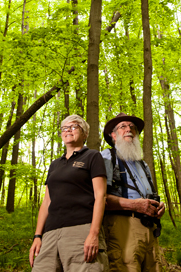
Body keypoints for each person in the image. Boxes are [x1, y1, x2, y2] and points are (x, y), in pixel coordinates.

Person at [29, 115, 109, 271]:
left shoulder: (92, 156)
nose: (68, 130)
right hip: (50, 234)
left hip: (81, 229)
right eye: (64, 128)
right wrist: (38, 236)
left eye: (74, 127)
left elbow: (100, 196)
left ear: (85, 133)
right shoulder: (54, 165)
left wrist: (93, 234)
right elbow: (47, 202)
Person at [101, 112, 166, 272]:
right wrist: (135, 205)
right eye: (122, 126)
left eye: (132, 127)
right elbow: (99, 198)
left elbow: (146, 195)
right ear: (113, 135)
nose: (128, 129)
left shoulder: (143, 164)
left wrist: (158, 206)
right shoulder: (108, 156)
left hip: (150, 229)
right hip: (122, 226)